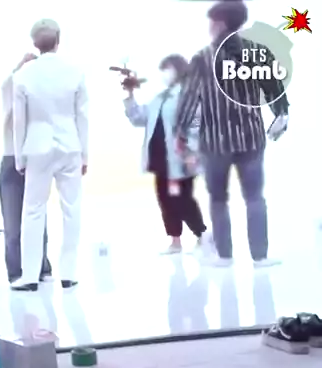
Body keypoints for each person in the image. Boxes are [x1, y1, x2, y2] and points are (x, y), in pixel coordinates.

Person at [174, 0, 288, 267]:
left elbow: (189, 99)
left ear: (220, 23)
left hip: (215, 142)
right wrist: (281, 116)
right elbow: (275, 92)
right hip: (251, 138)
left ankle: (224, 256)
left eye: (212, 21)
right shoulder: (257, 53)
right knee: (255, 197)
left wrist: (181, 133)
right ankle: (260, 256)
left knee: (218, 199)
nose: (209, 26)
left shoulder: (202, 58)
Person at [10, 19, 88, 291]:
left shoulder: (23, 76)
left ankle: (30, 276)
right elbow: (82, 116)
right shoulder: (75, 71)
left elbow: (19, 121)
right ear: (58, 39)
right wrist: (85, 155)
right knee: (72, 209)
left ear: (34, 44)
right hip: (70, 146)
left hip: (37, 148)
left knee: (33, 211)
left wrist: (19, 157)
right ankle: (68, 273)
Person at [0, 53, 53, 287]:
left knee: (38, 218)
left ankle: (41, 267)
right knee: (13, 222)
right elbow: (6, 85)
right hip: (12, 162)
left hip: (36, 161)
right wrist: (22, 63)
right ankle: (17, 271)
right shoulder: (10, 95)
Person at [123, 54, 209, 254]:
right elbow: (138, 118)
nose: (165, 74)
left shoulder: (189, 95)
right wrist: (129, 96)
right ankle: (175, 240)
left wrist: (192, 151)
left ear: (179, 69)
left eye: (168, 69)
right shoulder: (160, 97)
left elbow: (196, 125)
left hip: (180, 159)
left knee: (182, 198)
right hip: (160, 159)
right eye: (163, 69)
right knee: (165, 199)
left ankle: (203, 235)